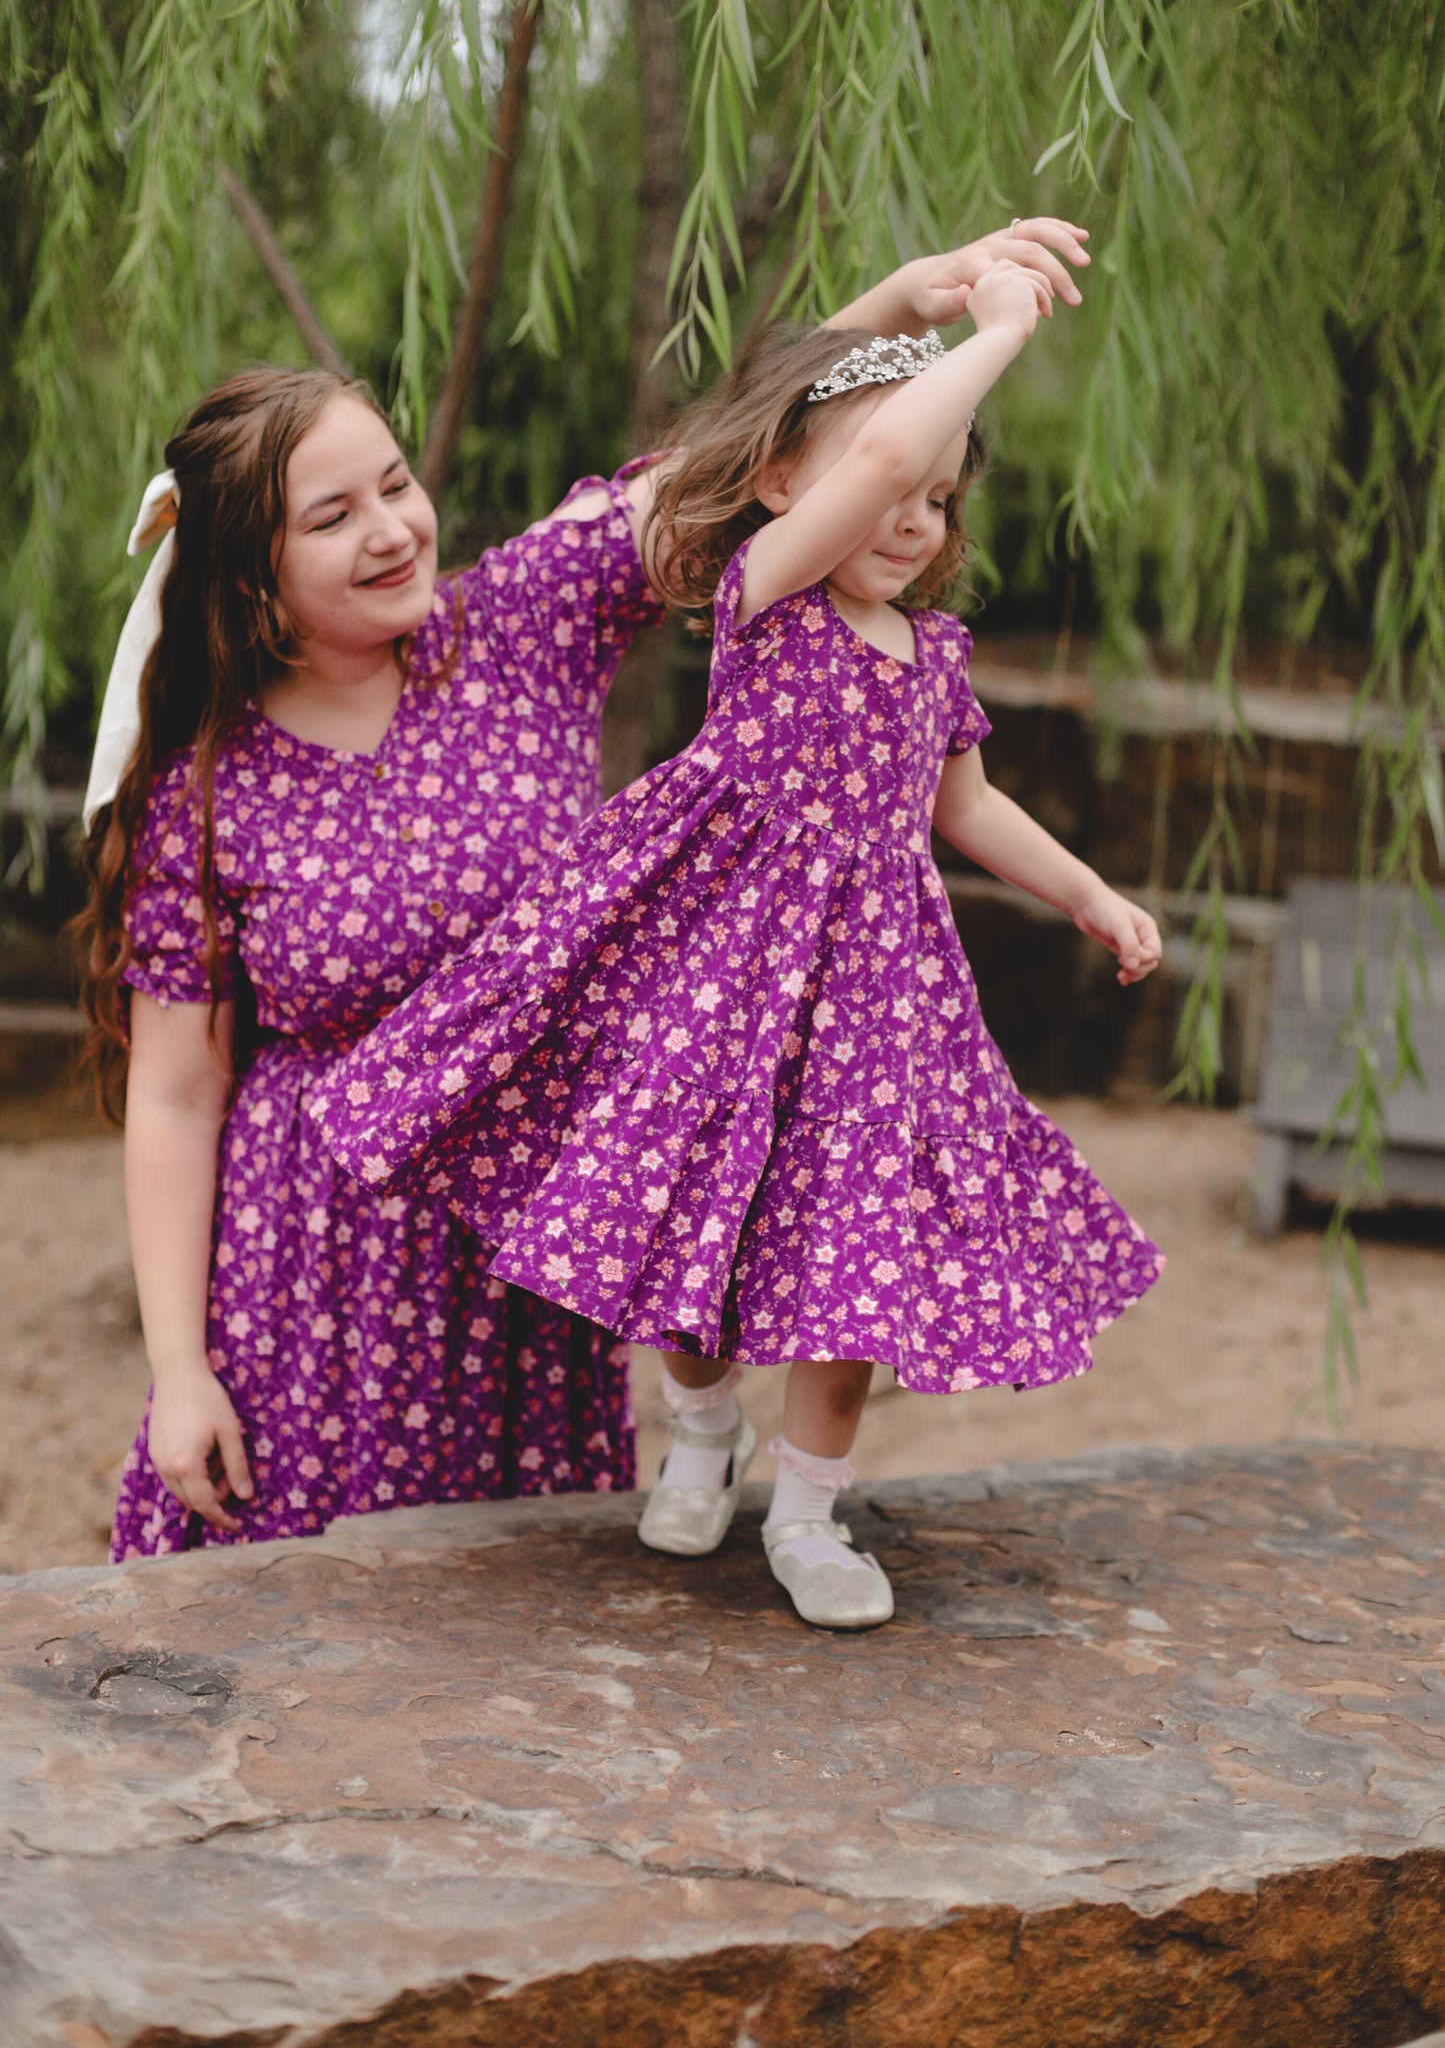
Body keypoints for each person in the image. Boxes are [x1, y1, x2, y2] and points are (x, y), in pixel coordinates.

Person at [80, 221, 1095, 1560]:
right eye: (332, 516)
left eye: (393, 484)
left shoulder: (519, 624)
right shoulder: (209, 792)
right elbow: (174, 1091)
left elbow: (753, 472)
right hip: (307, 1286)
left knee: (515, 1646)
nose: (392, 530)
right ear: (248, 570)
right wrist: (183, 1370)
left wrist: (894, 320)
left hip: (527, 1272)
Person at [311, 242, 1164, 1631]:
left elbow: (969, 804)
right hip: (720, 961)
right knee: (685, 1207)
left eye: (946, 502)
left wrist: (1085, 892)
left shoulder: (930, 654)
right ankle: (697, 1423)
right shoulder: (762, 593)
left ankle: (812, 1513)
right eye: (899, 487)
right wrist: (989, 329)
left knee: (856, 1243)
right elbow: (873, 460)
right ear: (784, 487)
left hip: (877, 986)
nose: (914, 517)